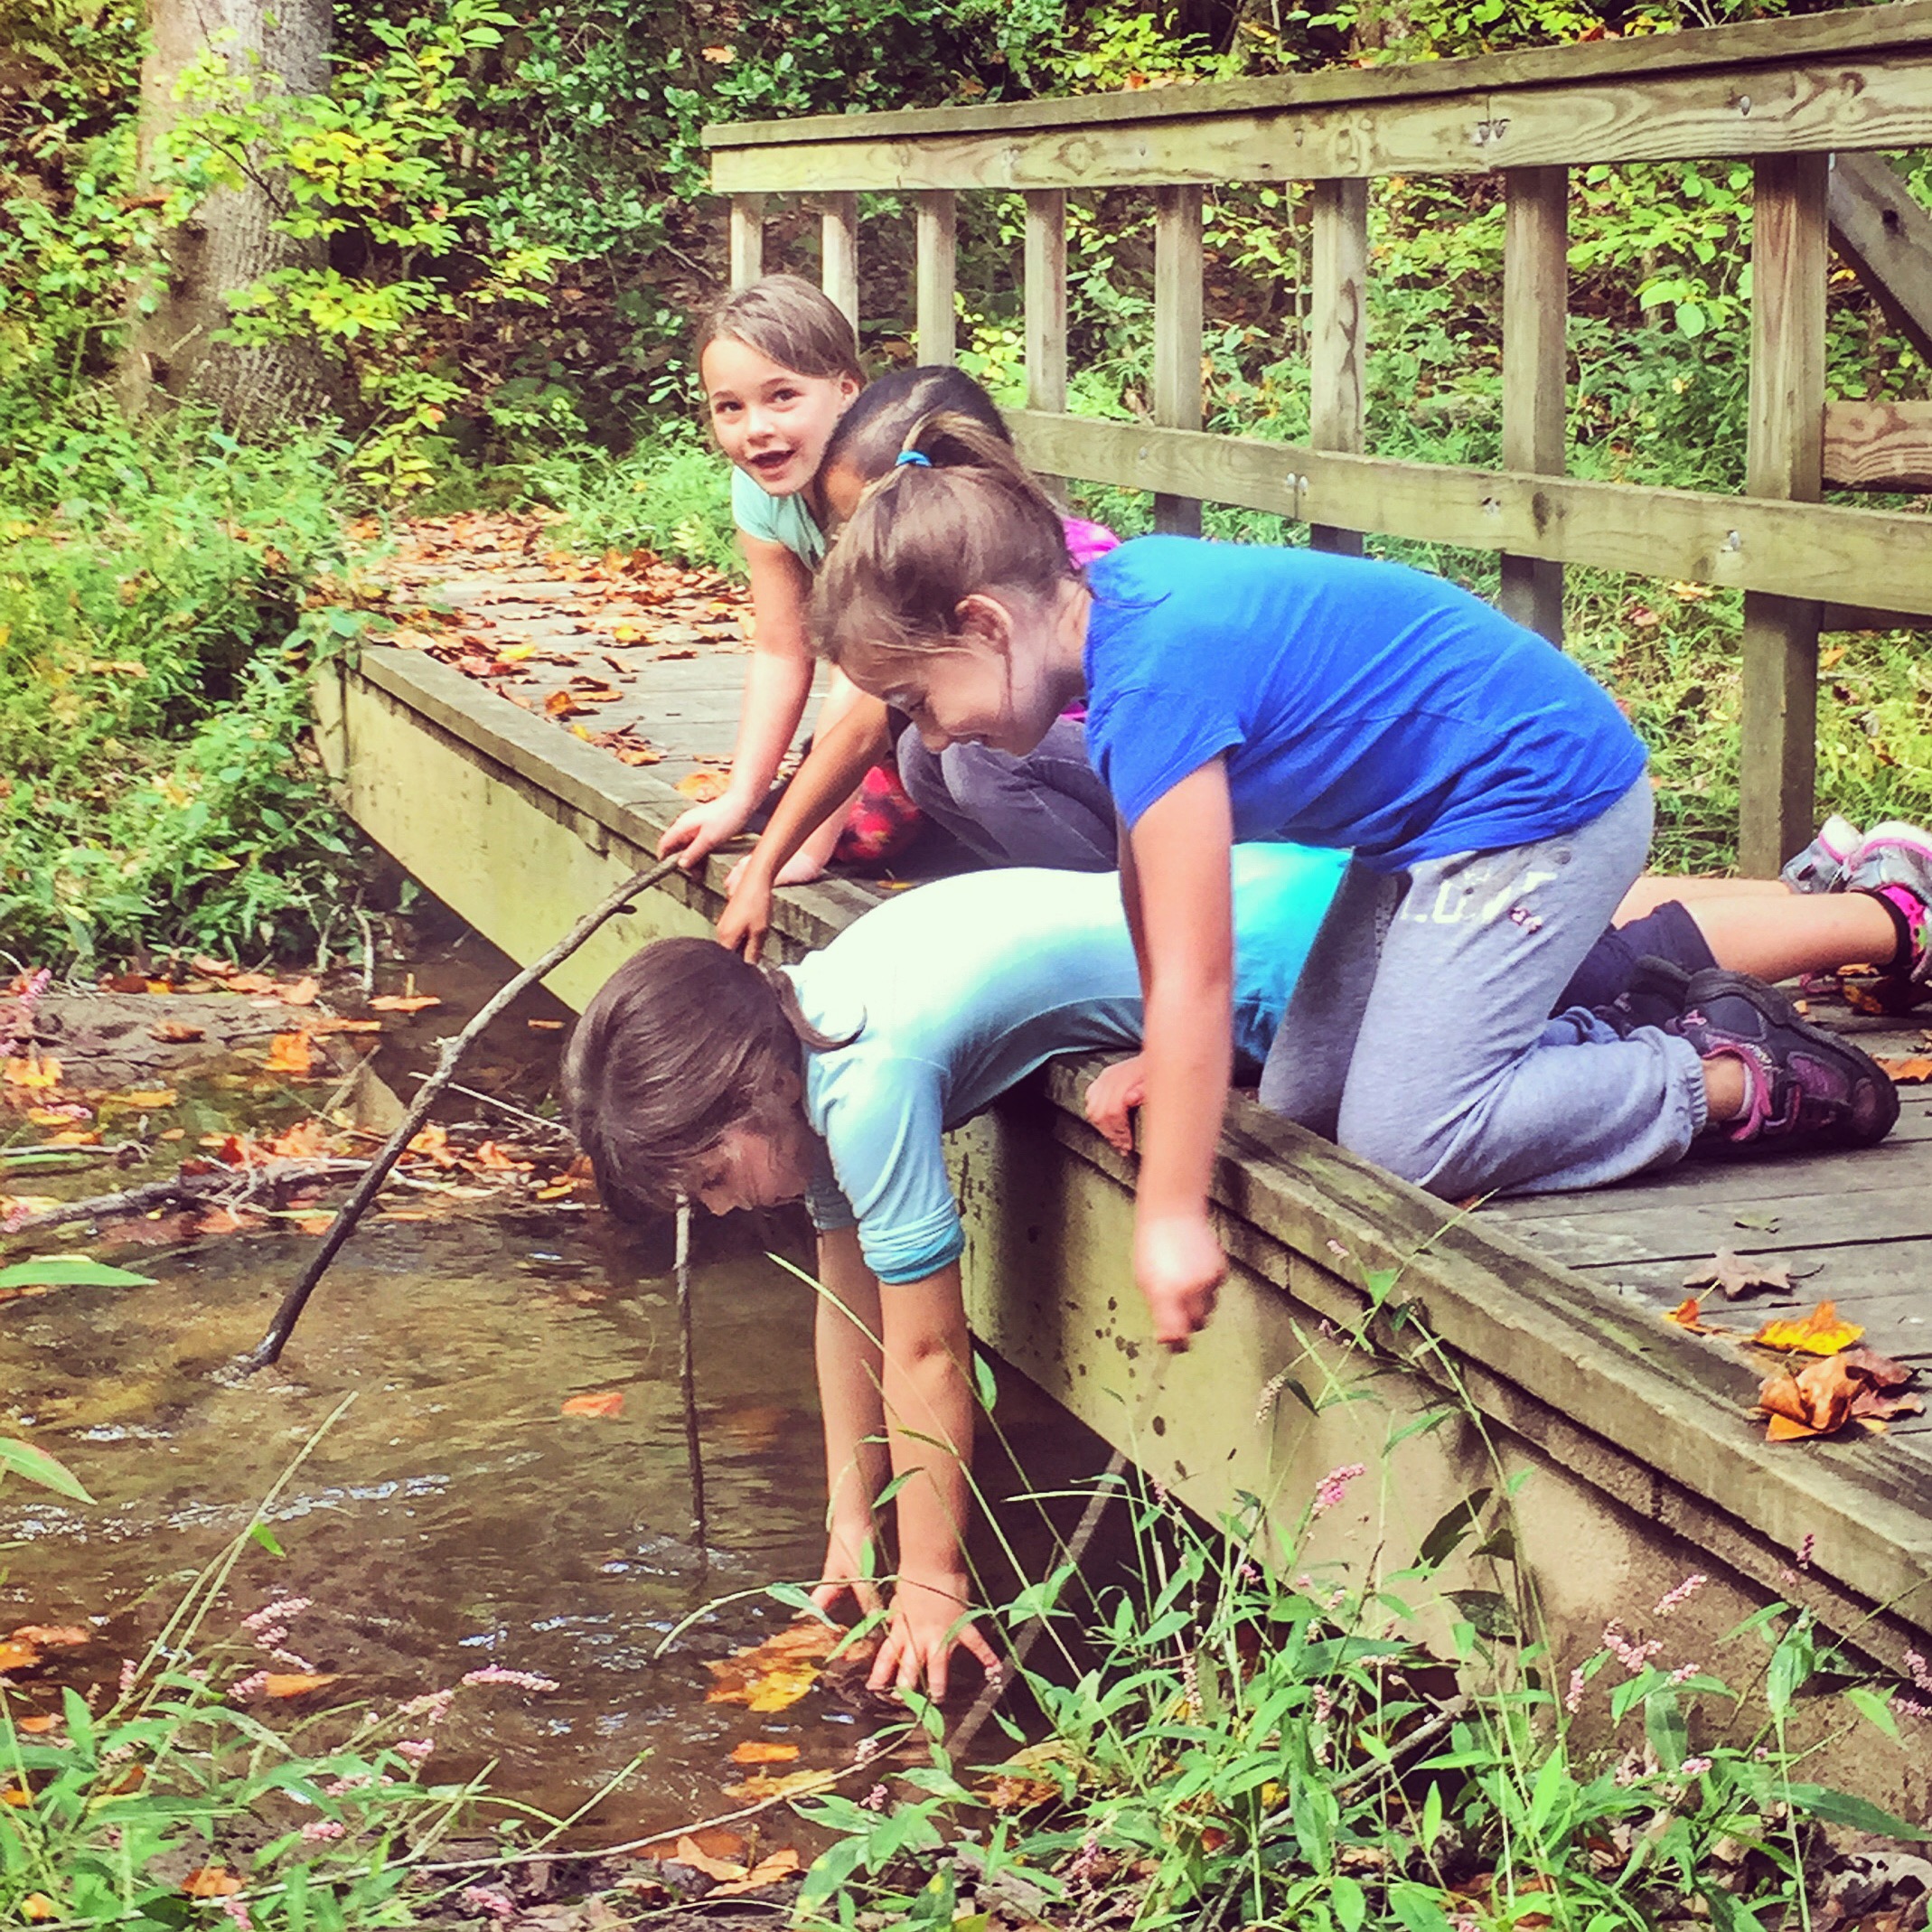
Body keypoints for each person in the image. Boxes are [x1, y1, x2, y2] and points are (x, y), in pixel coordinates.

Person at [567, 840, 1912, 1698]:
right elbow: (841, 1298)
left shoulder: (867, 1093)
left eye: (705, 1176)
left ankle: (1746, 1058)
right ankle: (1866, 904)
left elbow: (923, 1348)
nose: (719, 1204)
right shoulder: (815, 1010)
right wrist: (848, 1515)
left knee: (1590, 976)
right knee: (1593, 938)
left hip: (1296, 972)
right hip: (1261, 891)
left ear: (748, 1096)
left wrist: (935, 1580)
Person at [807, 416, 1899, 1347]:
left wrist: (1170, 1211)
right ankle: (1607, 1028)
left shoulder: (1152, 682)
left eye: (913, 697)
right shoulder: (1107, 618)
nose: (925, 734)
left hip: (1541, 802)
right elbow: (1153, 892)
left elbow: (1200, 971)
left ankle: (1720, 1072)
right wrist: (1155, 1054)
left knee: (1407, 1143)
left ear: (985, 624)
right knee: (1301, 1104)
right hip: (1422, 828)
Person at [716, 364, 1120, 963]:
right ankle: (1050, 895)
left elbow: (858, 730)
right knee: (925, 756)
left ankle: (1106, 918)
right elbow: (866, 724)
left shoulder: (1057, 567)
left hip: (1152, 790)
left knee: (974, 757)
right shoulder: (936, 583)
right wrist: (764, 866)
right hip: (1078, 784)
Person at [656, 276, 891, 885]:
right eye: (730, 407)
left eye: (782, 396)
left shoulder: (884, 485)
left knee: (874, 824)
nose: (754, 428)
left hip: (995, 696)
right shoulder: (759, 488)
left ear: (845, 392)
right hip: (896, 697)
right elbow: (783, 648)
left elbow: (864, 677)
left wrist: (802, 850)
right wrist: (739, 797)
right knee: (775, 804)